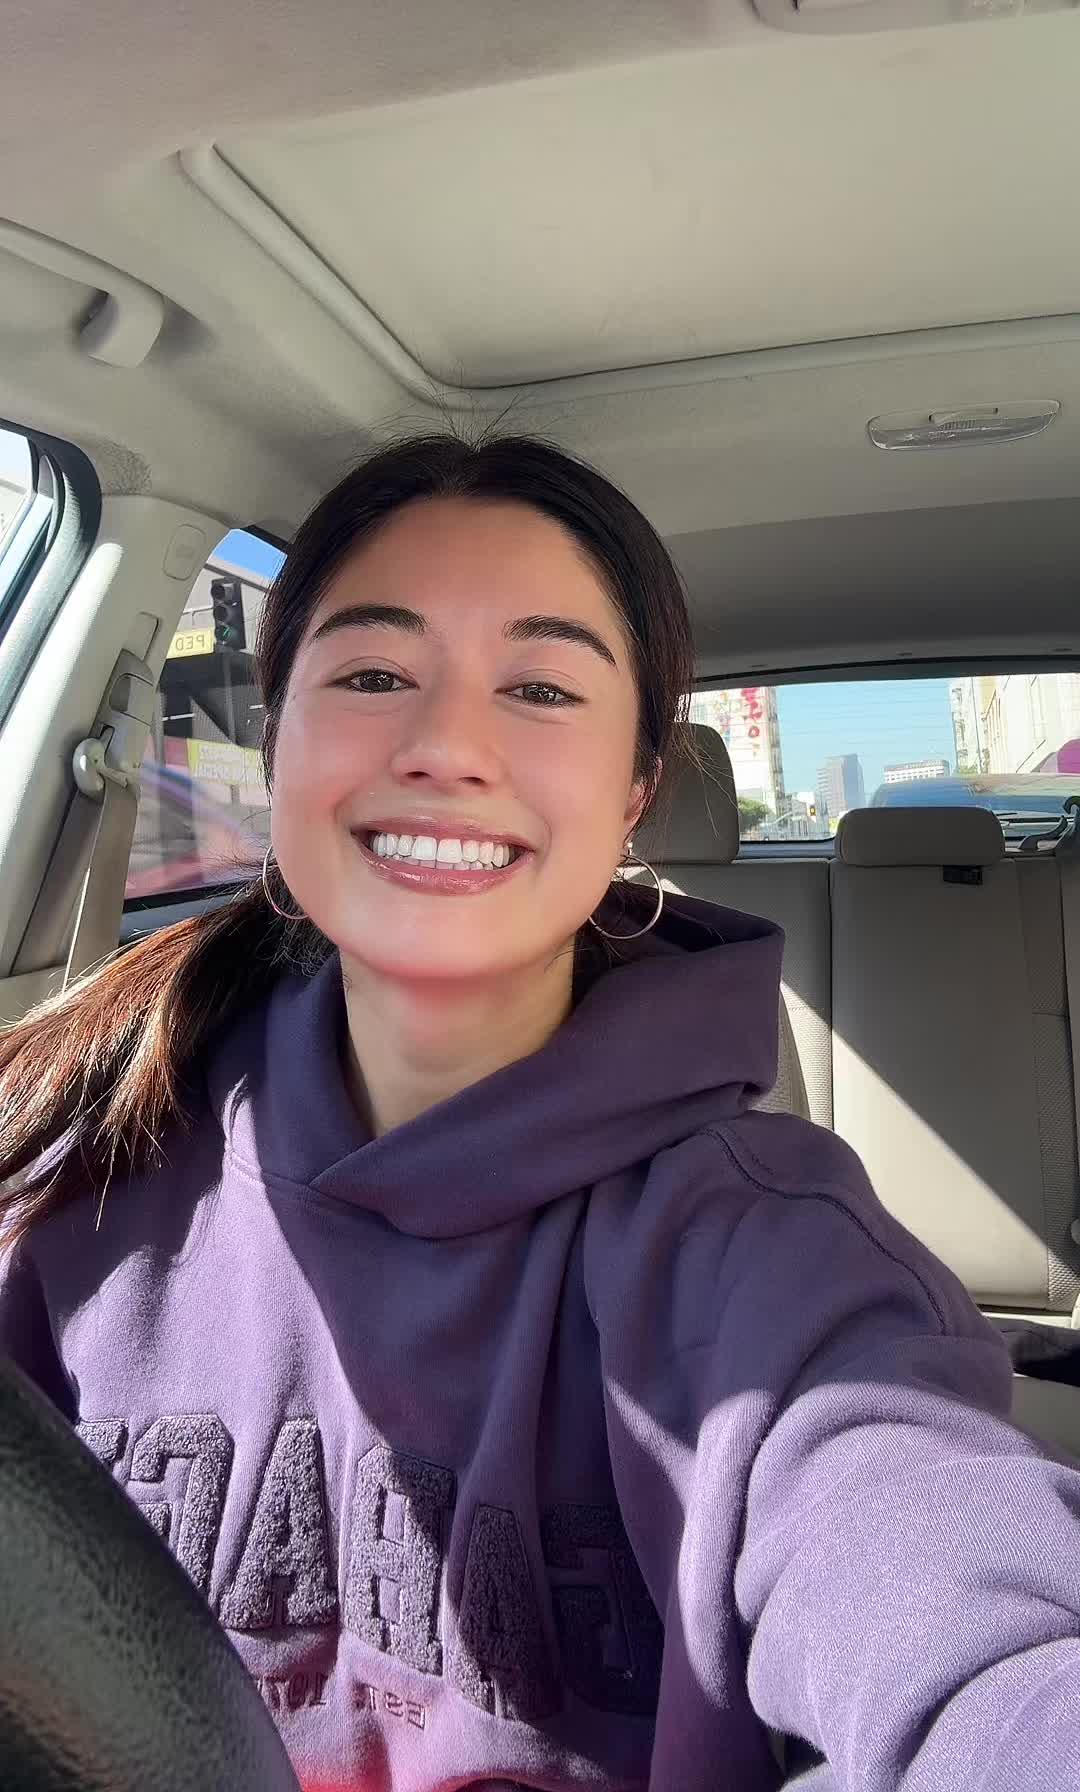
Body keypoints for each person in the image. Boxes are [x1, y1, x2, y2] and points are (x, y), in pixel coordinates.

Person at [1, 432, 1079, 1792]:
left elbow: (976, 1635)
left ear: (636, 789)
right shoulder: (72, 1154)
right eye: (374, 674)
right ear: (277, 745)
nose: (449, 746)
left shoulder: (772, 1257)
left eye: (542, 687)